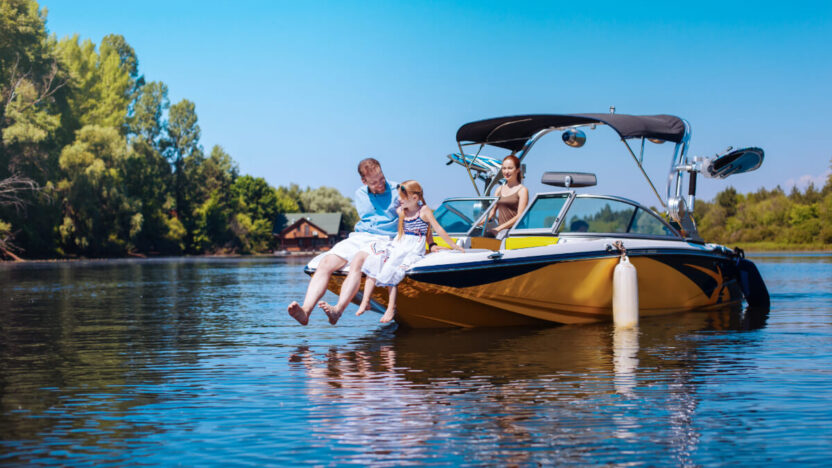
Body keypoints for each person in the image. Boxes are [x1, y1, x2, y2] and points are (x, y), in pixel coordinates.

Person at [322, 180, 463, 324]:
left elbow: (435, 228)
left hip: (413, 248)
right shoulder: (402, 211)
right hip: (399, 244)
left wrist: (452, 245)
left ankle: (391, 307)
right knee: (374, 260)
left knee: (392, 268)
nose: (399, 200)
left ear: (414, 198)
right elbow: (382, 210)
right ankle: (366, 301)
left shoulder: (424, 210)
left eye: (402, 197)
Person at [287, 158, 398, 325]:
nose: (380, 184)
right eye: (374, 182)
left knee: (356, 263)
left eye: (381, 179)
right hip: (360, 236)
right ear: (364, 180)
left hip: (383, 238)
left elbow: (419, 210)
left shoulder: (399, 190)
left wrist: (430, 243)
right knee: (325, 263)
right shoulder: (360, 193)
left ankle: (337, 310)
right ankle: (306, 311)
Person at [483, 155, 529, 239]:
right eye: (504, 168)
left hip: (516, 233)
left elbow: (520, 216)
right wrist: (477, 223)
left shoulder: (522, 190)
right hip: (502, 233)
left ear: (517, 170)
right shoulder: (499, 189)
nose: (506, 172)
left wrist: (498, 228)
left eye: (510, 168)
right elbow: (492, 213)